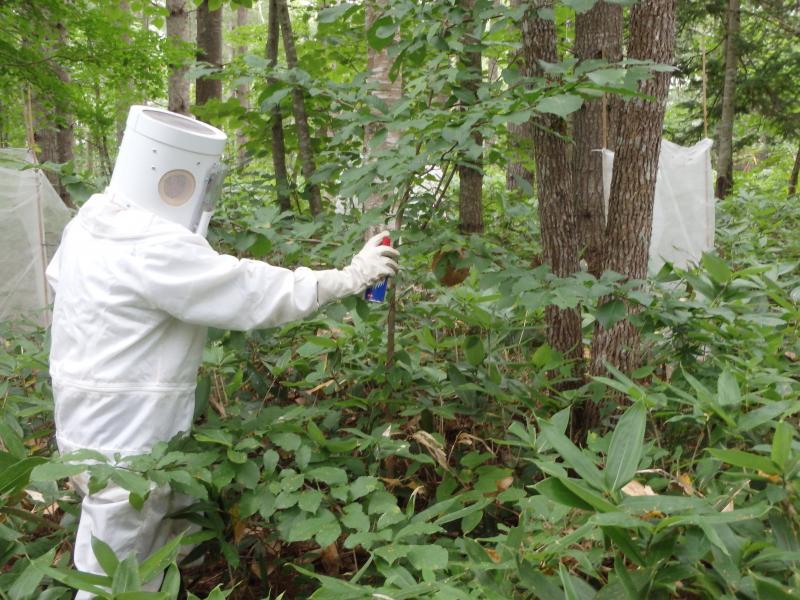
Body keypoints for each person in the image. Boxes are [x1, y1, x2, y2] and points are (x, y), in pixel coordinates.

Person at [46, 105, 399, 596]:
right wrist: (348, 277)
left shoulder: (92, 219)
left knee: (131, 538)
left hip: (85, 414)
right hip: (127, 427)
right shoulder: (152, 247)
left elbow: (58, 278)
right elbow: (250, 291)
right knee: (114, 572)